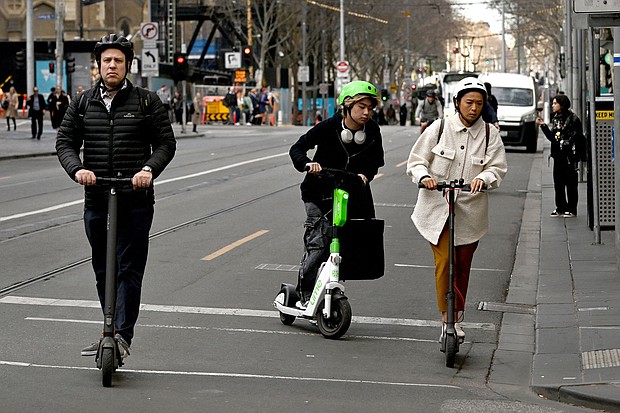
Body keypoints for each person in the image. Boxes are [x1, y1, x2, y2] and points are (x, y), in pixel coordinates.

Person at [55, 34, 176, 359]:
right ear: (98, 65)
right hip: (97, 196)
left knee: (128, 268)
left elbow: (166, 144)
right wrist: (77, 169)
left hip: (134, 199)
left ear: (127, 66)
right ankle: (109, 326)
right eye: (107, 60)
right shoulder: (82, 103)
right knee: (102, 267)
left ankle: (121, 334)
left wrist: (148, 170)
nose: (112, 65)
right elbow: (64, 142)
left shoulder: (147, 101)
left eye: (118, 61)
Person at [406, 77, 507, 342]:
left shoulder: (490, 135)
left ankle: (458, 316)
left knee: (462, 265)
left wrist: (483, 179)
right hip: (436, 210)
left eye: (479, 103)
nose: (474, 108)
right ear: (457, 103)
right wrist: (423, 176)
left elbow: (497, 169)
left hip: (470, 213)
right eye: (469, 102)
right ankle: (446, 317)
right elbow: (416, 161)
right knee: (445, 263)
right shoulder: (439, 128)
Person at [289, 80, 385, 307]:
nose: (366, 112)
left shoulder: (372, 130)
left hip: (351, 193)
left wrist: (366, 175)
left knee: (349, 242)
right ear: (347, 106)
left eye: (370, 108)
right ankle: (305, 296)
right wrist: (308, 164)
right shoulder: (329, 127)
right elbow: (297, 148)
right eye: (361, 107)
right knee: (320, 242)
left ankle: (330, 289)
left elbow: (376, 162)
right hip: (318, 194)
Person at [536, 94, 586, 218]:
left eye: (555, 103)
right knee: (558, 183)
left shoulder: (573, 119)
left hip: (569, 156)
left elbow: (577, 137)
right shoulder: (556, 118)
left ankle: (572, 208)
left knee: (570, 183)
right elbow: (553, 138)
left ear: (562, 104)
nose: (553, 106)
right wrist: (543, 125)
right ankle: (560, 207)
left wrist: (569, 146)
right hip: (558, 156)